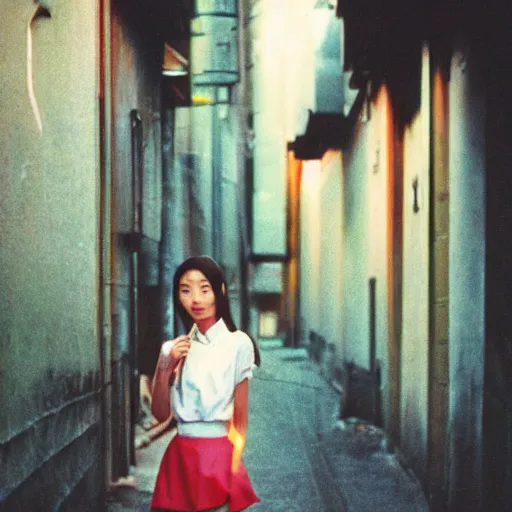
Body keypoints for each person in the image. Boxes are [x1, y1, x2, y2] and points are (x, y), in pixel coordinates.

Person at [150, 256, 261, 512]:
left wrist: (232, 464)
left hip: (217, 456)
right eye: (186, 290)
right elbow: (160, 414)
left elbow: (240, 419)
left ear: (220, 291)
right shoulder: (176, 348)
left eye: (204, 288)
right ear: (178, 297)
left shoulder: (238, 343)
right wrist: (165, 364)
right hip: (179, 457)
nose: (196, 299)